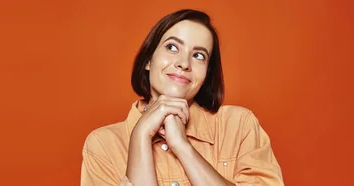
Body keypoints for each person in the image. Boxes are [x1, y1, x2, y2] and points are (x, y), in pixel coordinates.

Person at [80, 9, 284, 186]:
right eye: (172, 47)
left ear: (205, 74)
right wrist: (140, 135)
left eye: (198, 55)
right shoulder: (103, 145)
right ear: (149, 60)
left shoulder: (239, 126)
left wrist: (182, 146)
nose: (184, 63)